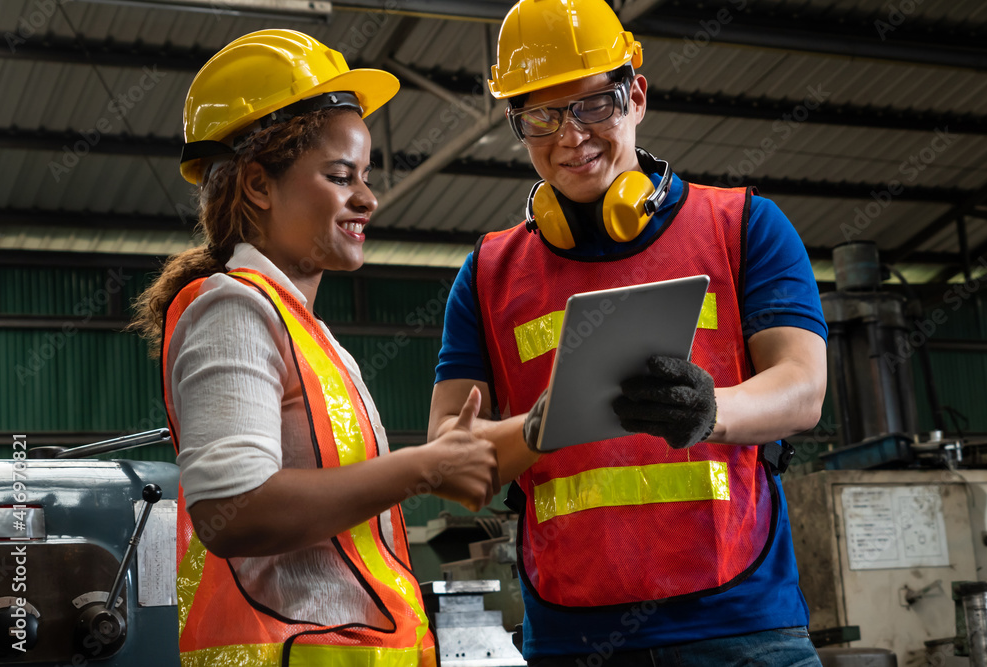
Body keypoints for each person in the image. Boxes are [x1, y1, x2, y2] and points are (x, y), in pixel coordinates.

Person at [427, 1, 828, 665]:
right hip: (570, 635)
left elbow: (803, 387)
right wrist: (536, 427)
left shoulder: (743, 227)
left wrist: (712, 409)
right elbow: (447, 455)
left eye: (592, 105)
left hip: (740, 624)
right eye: (540, 116)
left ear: (636, 95)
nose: (569, 137)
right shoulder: (488, 274)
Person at [130, 29, 500, 666]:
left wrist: (557, 423)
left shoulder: (306, 332)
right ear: (257, 186)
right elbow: (233, 510)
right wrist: (421, 469)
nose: (367, 198)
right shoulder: (232, 308)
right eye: (339, 175)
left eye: (365, 176)